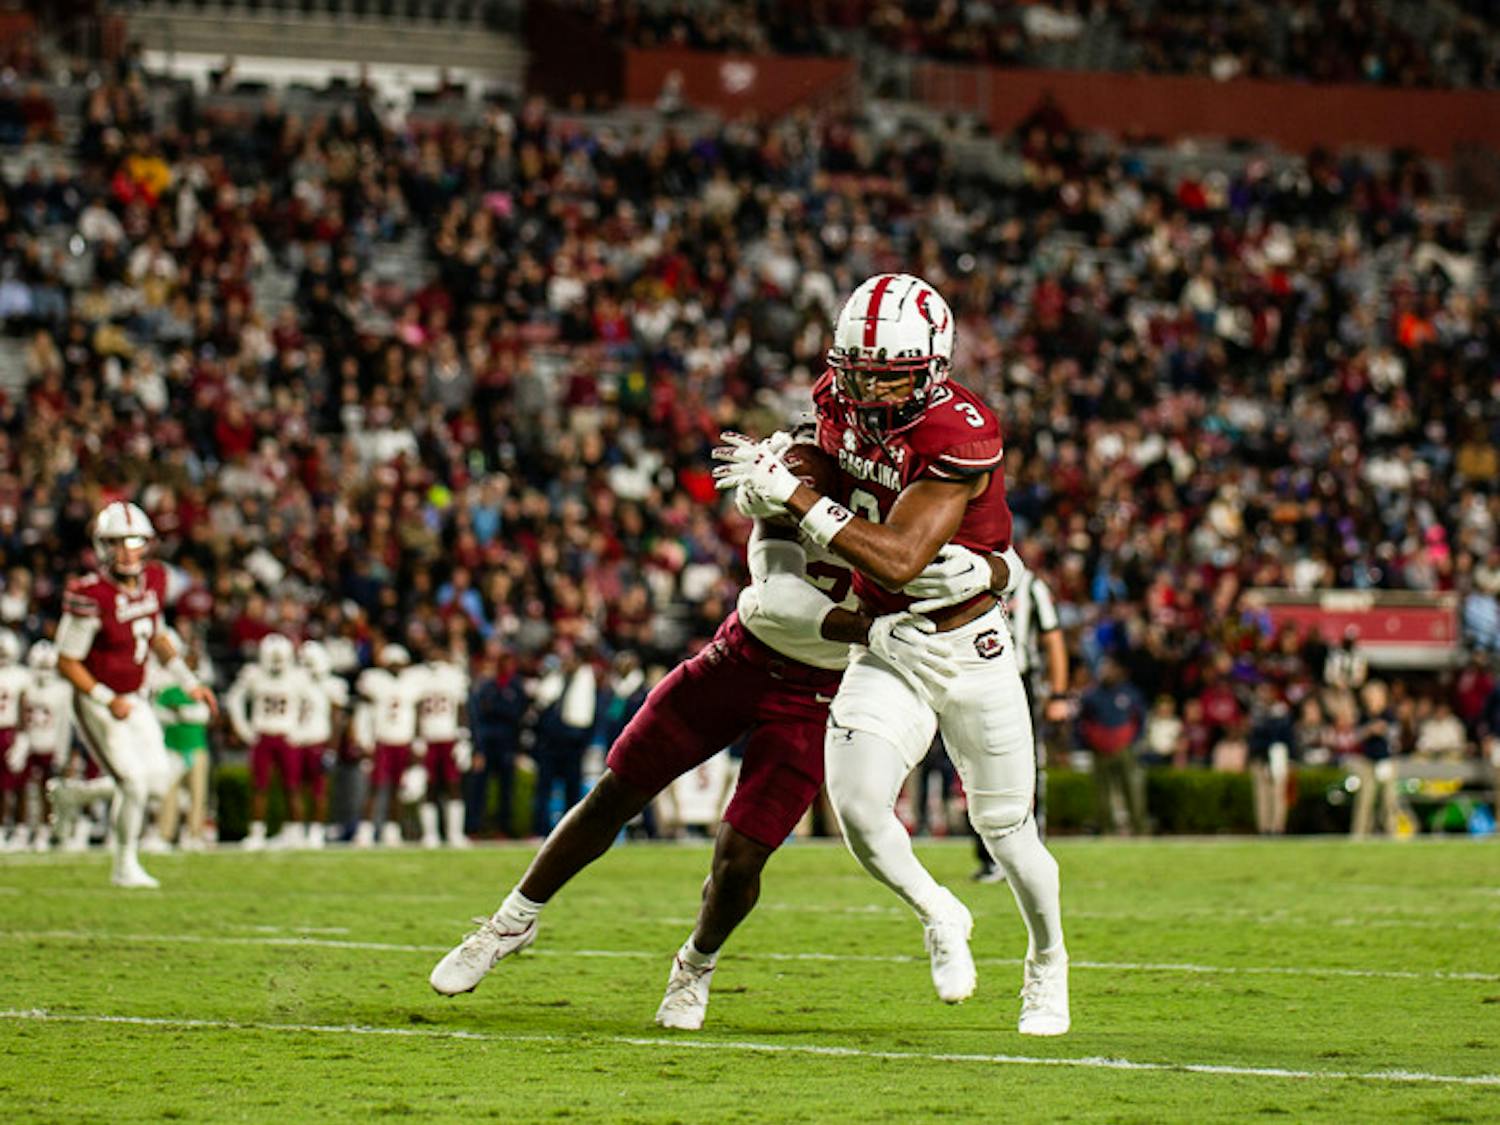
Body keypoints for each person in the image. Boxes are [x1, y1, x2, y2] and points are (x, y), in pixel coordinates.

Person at [429, 429, 1004, 1032]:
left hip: (821, 693)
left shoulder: (922, 492)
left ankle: (694, 967)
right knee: (618, 789)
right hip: (742, 658)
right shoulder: (798, 473)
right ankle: (512, 921)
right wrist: (868, 627)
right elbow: (775, 597)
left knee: (741, 856)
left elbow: (991, 563)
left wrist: (990, 568)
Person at [711, 273, 1068, 1035]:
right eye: (857, 366)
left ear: (932, 367)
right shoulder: (838, 403)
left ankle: (1047, 961)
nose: (867, 384)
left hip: (969, 641)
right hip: (889, 638)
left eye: (887, 370)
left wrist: (799, 499)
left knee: (1010, 832)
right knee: (860, 806)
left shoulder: (959, 428)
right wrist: (776, 483)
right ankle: (941, 912)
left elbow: (901, 557)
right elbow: (819, 472)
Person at [54, 501, 218, 887]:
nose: (126, 551)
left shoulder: (156, 580)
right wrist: (105, 698)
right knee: (133, 784)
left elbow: (158, 637)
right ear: (101, 546)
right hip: (100, 700)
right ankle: (124, 866)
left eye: (134, 541)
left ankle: (74, 796)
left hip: (137, 695)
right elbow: (67, 661)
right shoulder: (90, 593)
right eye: (117, 542)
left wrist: (188, 680)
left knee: (159, 784)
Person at [975, 557, 1070, 881]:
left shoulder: (1030, 585)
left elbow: (1053, 639)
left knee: (1024, 765)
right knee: (974, 764)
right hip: (973, 677)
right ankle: (990, 856)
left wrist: (1058, 694)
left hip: (1016, 679)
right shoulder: (968, 570)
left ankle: (1028, 850)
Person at [225, 633, 305, 850]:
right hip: (263, 734)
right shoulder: (254, 675)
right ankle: (257, 831)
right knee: (259, 786)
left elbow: (313, 703)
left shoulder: (297, 677)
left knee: (292, 786)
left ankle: (295, 831)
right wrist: (244, 730)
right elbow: (234, 699)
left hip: (287, 736)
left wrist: (300, 730)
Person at [352, 644, 424, 847]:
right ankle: (365, 830)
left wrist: (417, 742)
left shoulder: (412, 683)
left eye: (399, 664)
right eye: (392, 664)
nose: (396, 668)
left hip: (403, 741)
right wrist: (364, 741)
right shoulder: (375, 681)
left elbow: (416, 714)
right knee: (374, 788)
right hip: (382, 741)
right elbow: (364, 713)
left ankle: (391, 830)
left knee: (397, 790)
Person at [151, 628, 213, 850]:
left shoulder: (197, 686)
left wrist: (180, 713)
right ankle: (165, 834)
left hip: (196, 745)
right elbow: (158, 712)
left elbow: (204, 715)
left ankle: (194, 834)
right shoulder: (167, 687)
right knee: (169, 794)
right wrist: (181, 713)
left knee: (198, 794)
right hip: (172, 746)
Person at [1077, 657, 1148, 836]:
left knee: (1133, 787)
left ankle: (1140, 828)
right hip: (1100, 748)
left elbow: (1140, 719)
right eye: (1104, 668)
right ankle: (1106, 829)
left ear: (1119, 671)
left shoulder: (1130, 693)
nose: (1106, 672)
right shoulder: (1092, 695)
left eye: (1110, 668)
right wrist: (1089, 741)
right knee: (1102, 791)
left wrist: (1134, 740)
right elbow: (1083, 722)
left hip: (1124, 748)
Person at [291, 639, 348, 849]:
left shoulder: (330, 685)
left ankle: (315, 831)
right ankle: (297, 830)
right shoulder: (296, 682)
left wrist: (332, 749)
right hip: (297, 739)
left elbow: (337, 718)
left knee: (318, 790)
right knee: (295, 788)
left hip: (317, 740)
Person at [16, 639, 71, 851]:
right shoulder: (26, 687)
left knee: (52, 794)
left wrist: (62, 751)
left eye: (47, 667)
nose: (44, 672)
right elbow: (22, 716)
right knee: (26, 791)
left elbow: (64, 725)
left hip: (50, 746)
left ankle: (50, 831)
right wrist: (21, 741)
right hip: (31, 744)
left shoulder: (62, 690)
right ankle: (27, 830)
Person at [414, 650, 472, 848]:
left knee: (453, 784)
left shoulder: (454, 675)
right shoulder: (419, 676)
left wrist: (463, 736)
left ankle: (454, 833)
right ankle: (430, 834)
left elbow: (462, 707)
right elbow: (415, 708)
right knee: (429, 786)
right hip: (429, 737)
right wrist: (417, 736)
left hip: (449, 737)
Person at [469, 649, 527, 837]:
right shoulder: (486, 686)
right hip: (487, 743)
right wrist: (477, 748)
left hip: (507, 744)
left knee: (506, 789)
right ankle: (475, 828)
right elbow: (479, 715)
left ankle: (503, 828)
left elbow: (517, 714)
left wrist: (496, 709)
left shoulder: (516, 687)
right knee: (479, 787)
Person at [0, 628, 33, 850]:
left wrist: (22, 737)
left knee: (16, 786)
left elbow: (24, 708)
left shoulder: (22, 676)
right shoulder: (21, 675)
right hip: (7, 730)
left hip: (9, 732)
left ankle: (19, 829)